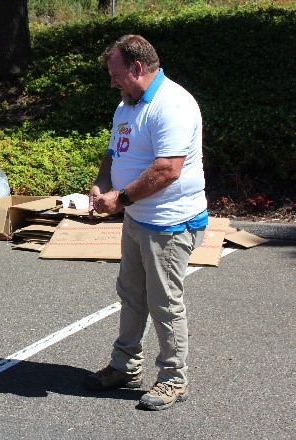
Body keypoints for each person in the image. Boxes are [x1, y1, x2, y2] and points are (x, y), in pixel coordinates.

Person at [83, 35, 208, 411]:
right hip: (138, 219)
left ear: (138, 68)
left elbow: (167, 169)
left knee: (164, 303)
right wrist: (101, 183)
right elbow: (113, 152)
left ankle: (173, 380)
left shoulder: (174, 104)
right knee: (132, 295)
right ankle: (125, 367)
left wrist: (118, 199)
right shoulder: (128, 105)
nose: (113, 82)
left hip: (169, 224)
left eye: (117, 74)